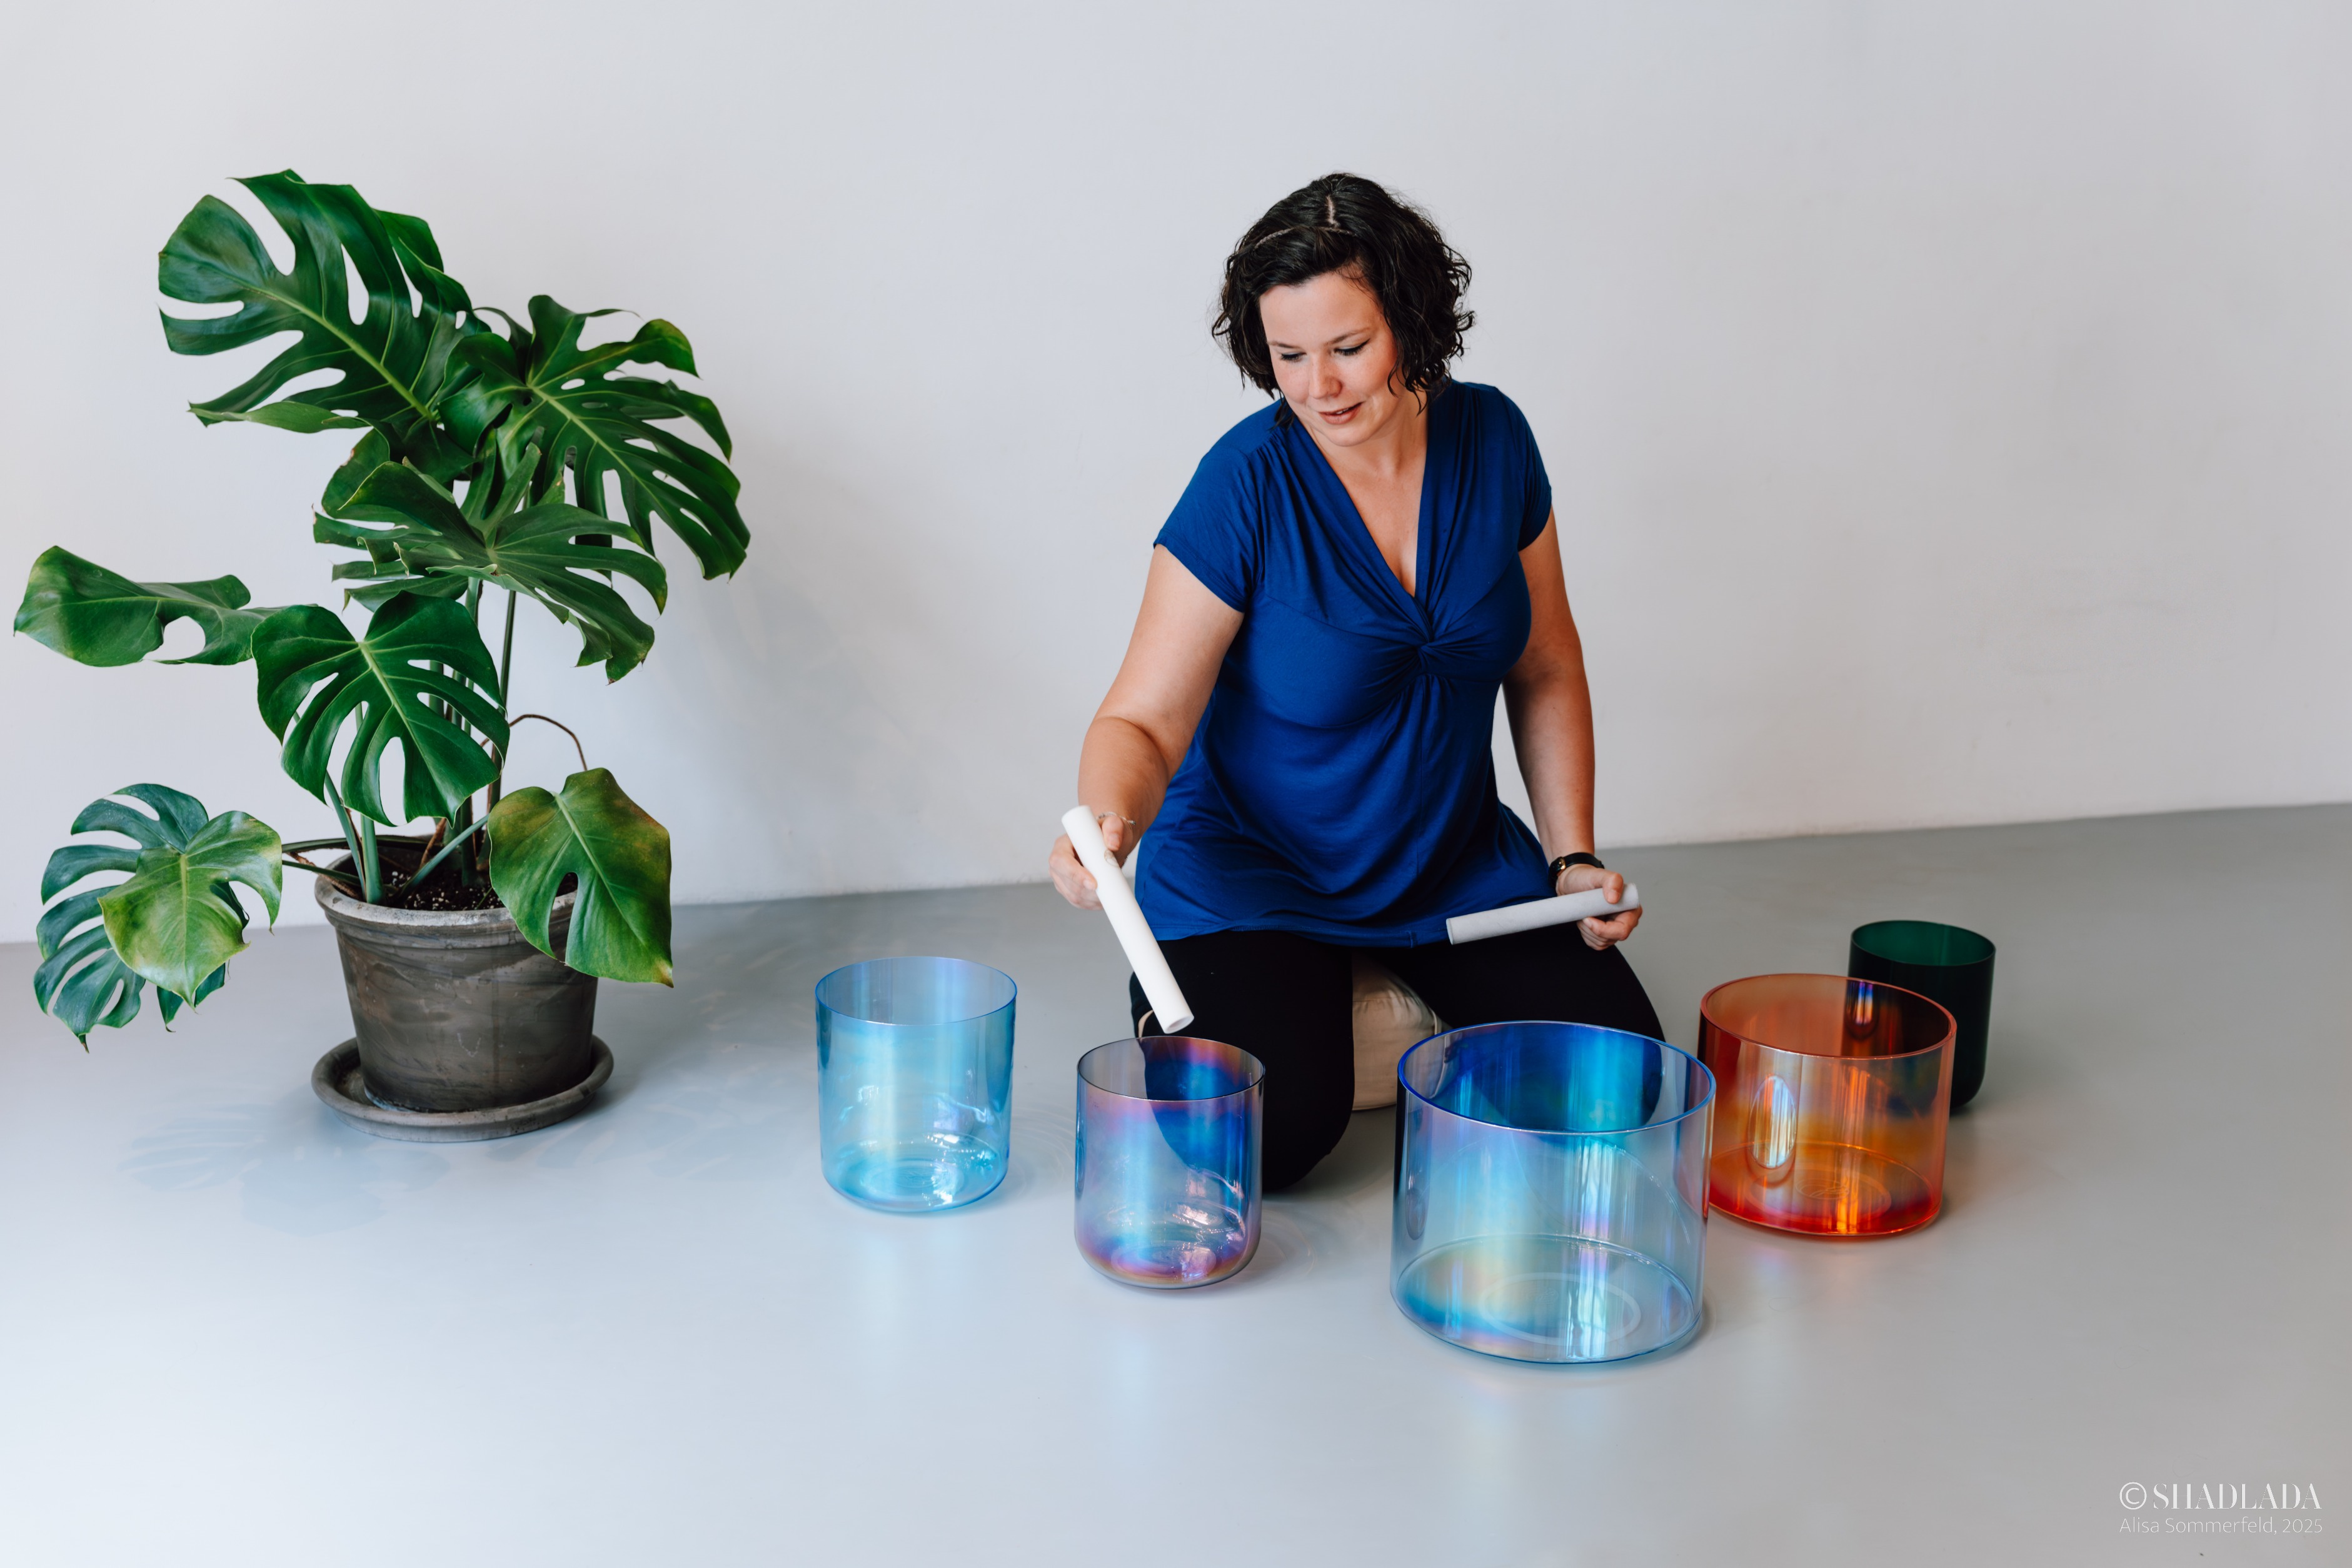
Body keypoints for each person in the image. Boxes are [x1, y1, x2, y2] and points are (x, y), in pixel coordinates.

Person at [1048, 173, 1661, 1192]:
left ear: (1413, 323)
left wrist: (1571, 857)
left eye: (1347, 347)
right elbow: (1141, 722)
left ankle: (1380, 997)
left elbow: (1546, 662)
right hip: (1255, 872)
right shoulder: (1245, 484)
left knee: (1613, 1095)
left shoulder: (1495, 440)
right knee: (1268, 1144)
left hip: (1448, 863)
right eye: (1288, 356)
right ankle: (1210, 1000)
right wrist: (1108, 825)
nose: (1318, 386)